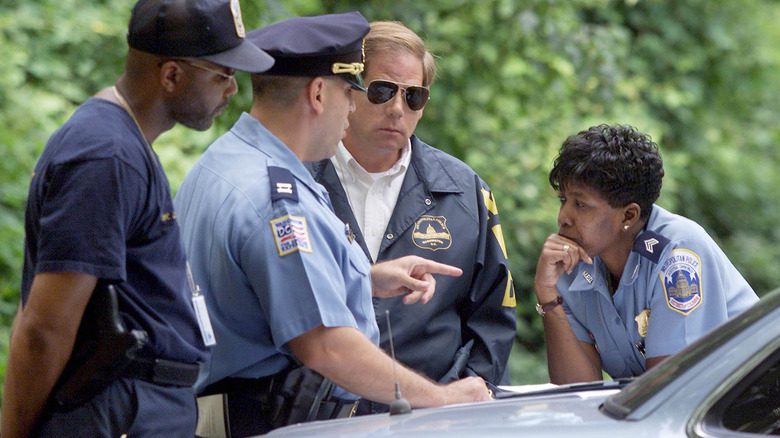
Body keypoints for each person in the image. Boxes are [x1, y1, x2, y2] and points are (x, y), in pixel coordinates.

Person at [174, 11, 491, 437]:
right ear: (319, 94)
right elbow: (327, 346)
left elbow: (257, 290)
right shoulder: (278, 200)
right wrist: (443, 398)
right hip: (269, 422)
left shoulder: (225, 161)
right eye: (352, 91)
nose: (352, 107)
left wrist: (363, 278)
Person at [0, 1, 275, 437]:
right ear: (171, 75)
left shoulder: (121, 145)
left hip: (140, 407)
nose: (232, 90)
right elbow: (44, 326)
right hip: (118, 408)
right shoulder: (105, 155)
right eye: (223, 74)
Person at [308, 21, 517, 404]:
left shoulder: (464, 191)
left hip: (433, 417)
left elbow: (493, 317)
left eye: (414, 97)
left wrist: (458, 398)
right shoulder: (298, 179)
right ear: (348, 91)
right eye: (382, 91)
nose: (397, 108)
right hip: (313, 416)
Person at [533, 123, 760, 384]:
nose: (563, 218)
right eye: (563, 200)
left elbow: (670, 390)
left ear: (628, 215)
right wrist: (548, 296)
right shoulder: (572, 261)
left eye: (581, 204)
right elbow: (576, 392)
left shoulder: (678, 253)